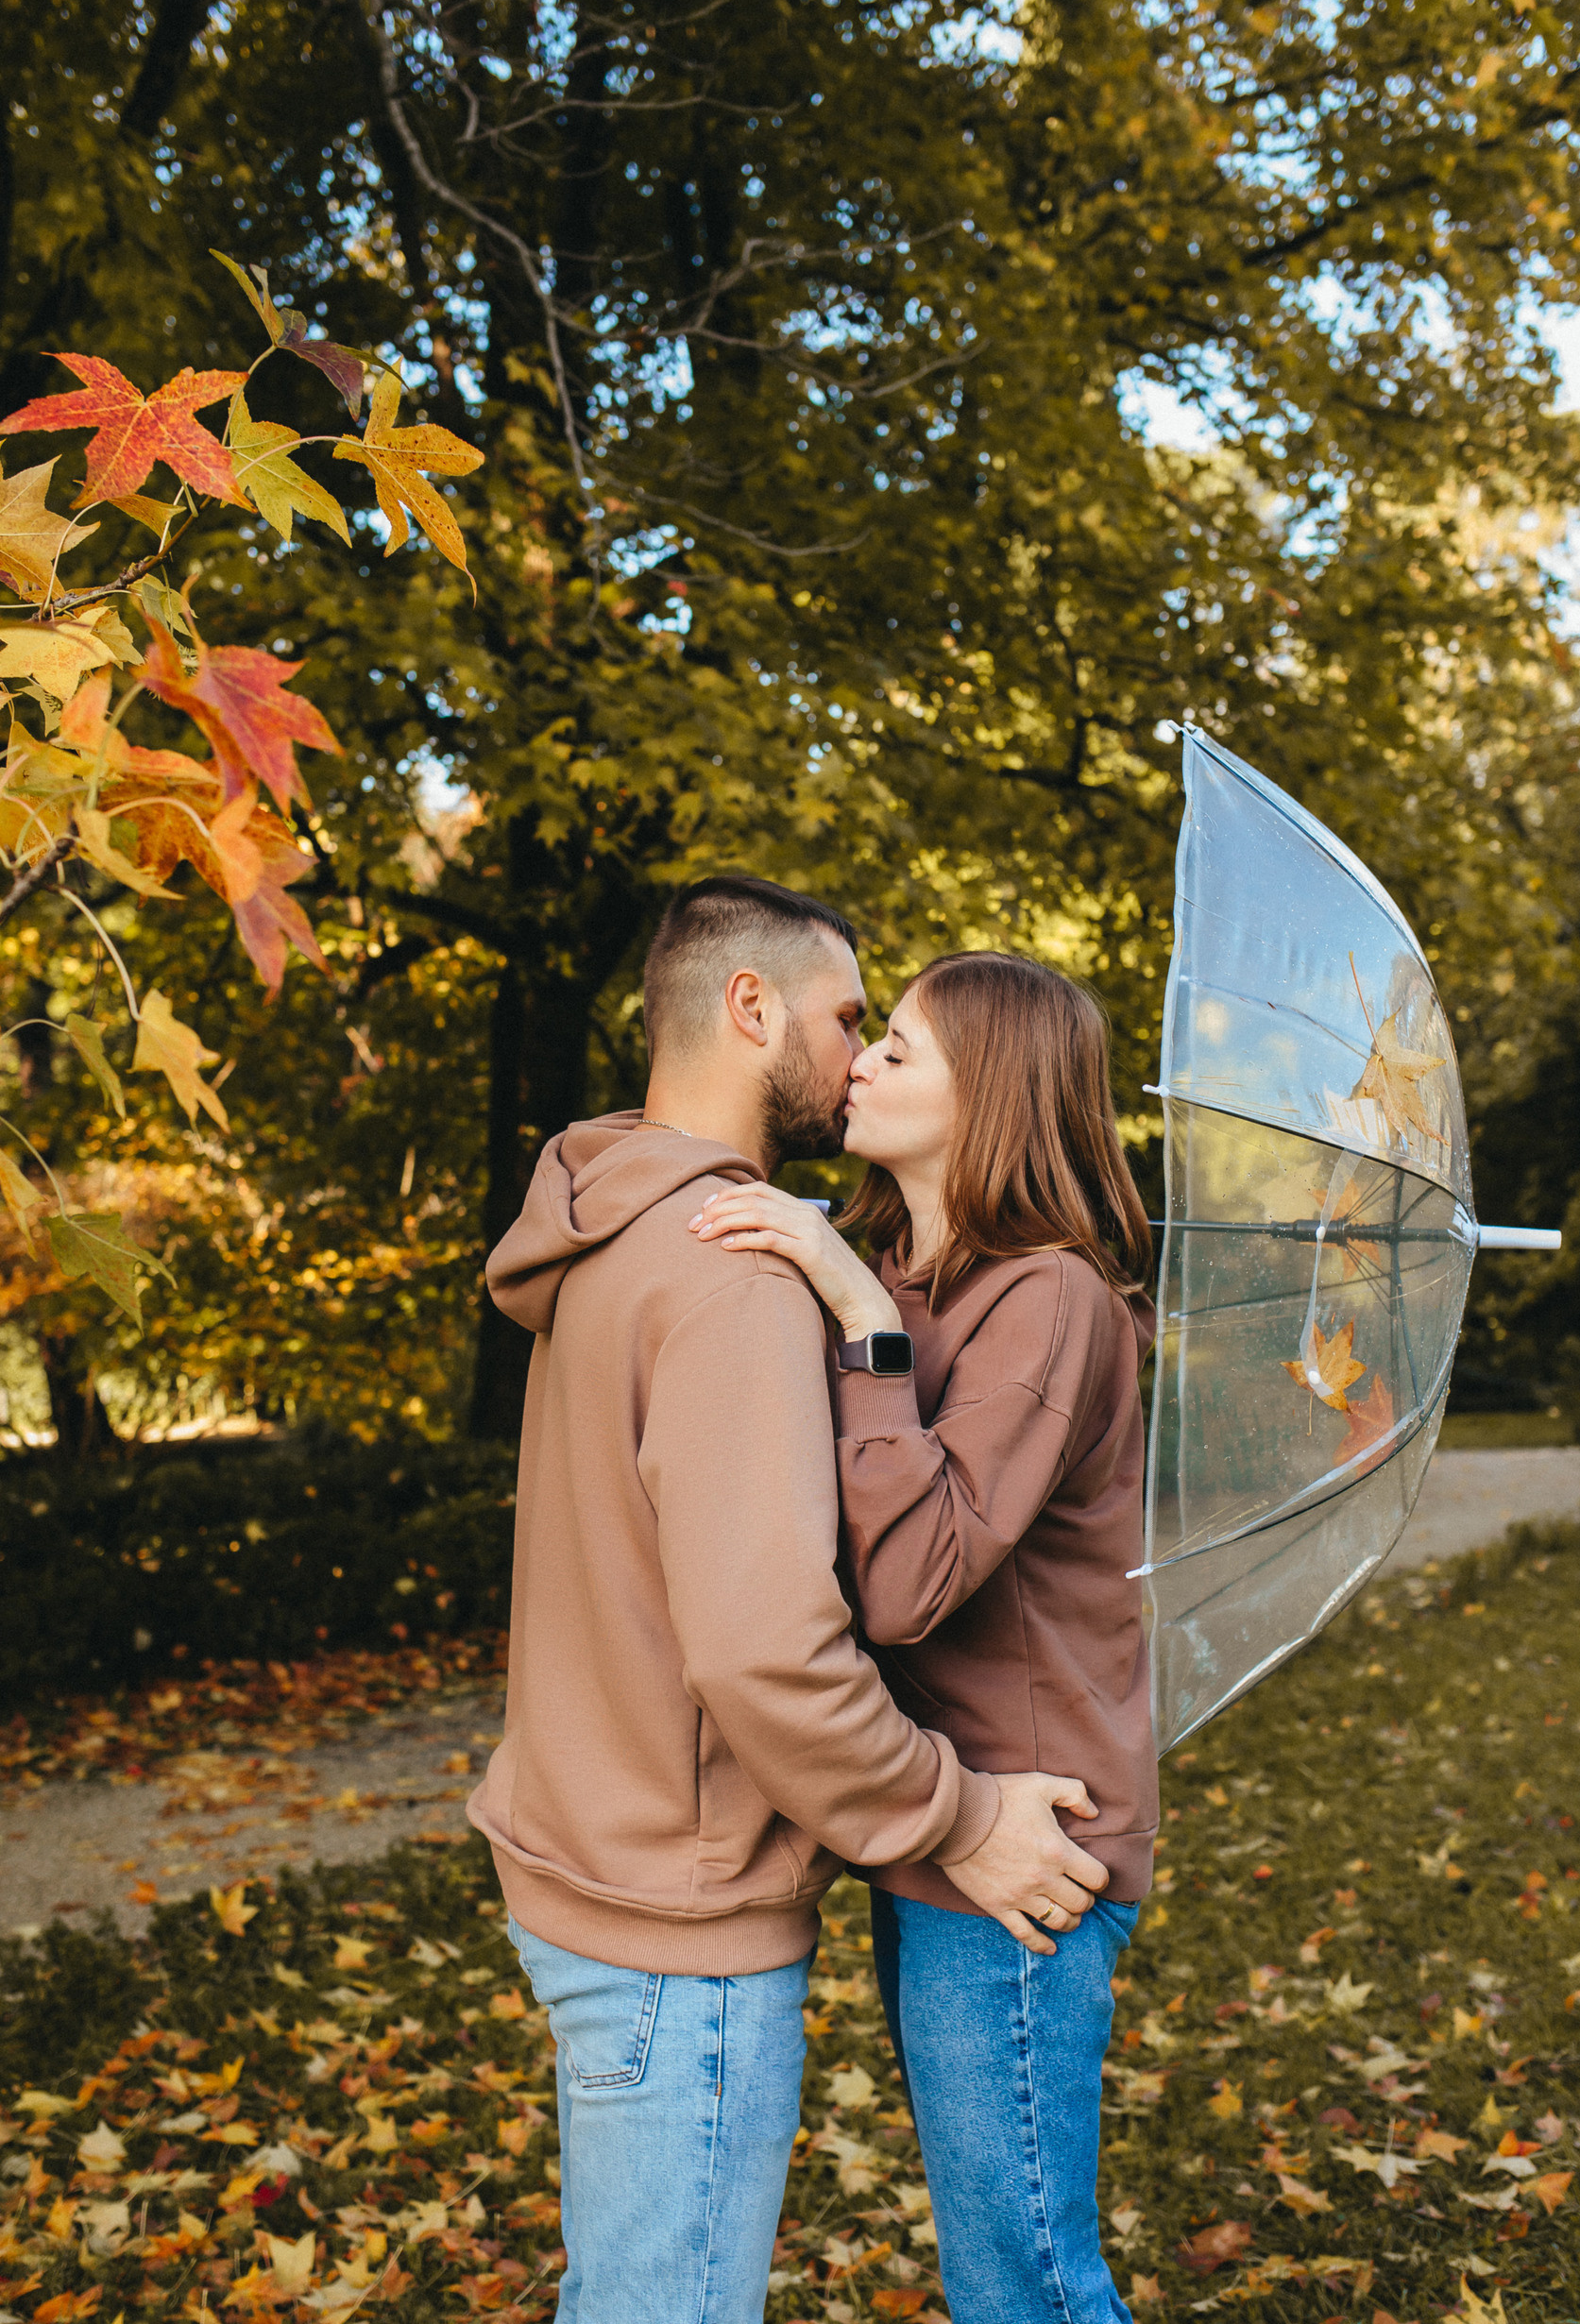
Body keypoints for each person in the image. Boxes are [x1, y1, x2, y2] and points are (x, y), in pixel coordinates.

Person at [467, 881, 1112, 2324]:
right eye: (846, 1018)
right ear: (749, 1009)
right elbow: (769, 1652)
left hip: (588, 1860)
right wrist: (958, 1817)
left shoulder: (606, 1224)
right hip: (674, 1906)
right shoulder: (738, 1278)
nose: (856, 1054)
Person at [692, 949, 1159, 2324]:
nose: (863, 1063)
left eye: (901, 1047)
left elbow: (909, 1581)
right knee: (997, 2257)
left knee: (1024, 2277)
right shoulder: (899, 1263)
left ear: (990, 1095)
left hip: (1028, 1836)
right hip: (938, 1816)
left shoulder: (1050, 1297)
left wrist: (858, 1321)